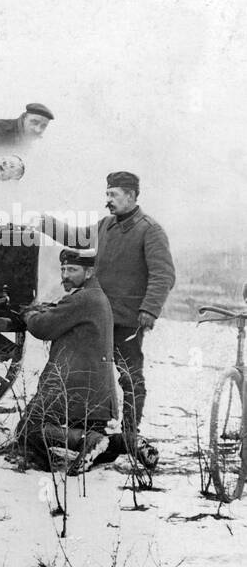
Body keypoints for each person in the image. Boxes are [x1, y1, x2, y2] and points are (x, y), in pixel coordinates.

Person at [39, 171, 175, 453]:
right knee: (89, 371)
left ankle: (129, 435)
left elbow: (163, 275)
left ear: (131, 195)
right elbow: (76, 237)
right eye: (107, 194)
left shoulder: (150, 230)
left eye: (113, 195)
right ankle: (90, 429)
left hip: (127, 319)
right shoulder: (105, 226)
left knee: (130, 375)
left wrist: (149, 309)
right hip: (98, 317)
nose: (108, 201)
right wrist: (47, 224)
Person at [15, 249, 116, 474]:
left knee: (28, 430)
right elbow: (63, 313)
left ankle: (88, 440)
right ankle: (129, 444)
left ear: (89, 271)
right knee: (103, 445)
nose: (65, 275)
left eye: (72, 269)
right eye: (63, 269)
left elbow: (43, 327)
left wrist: (29, 314)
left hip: (73, 386)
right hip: (97, 395)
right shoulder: (94, 296)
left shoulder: (83, 298)